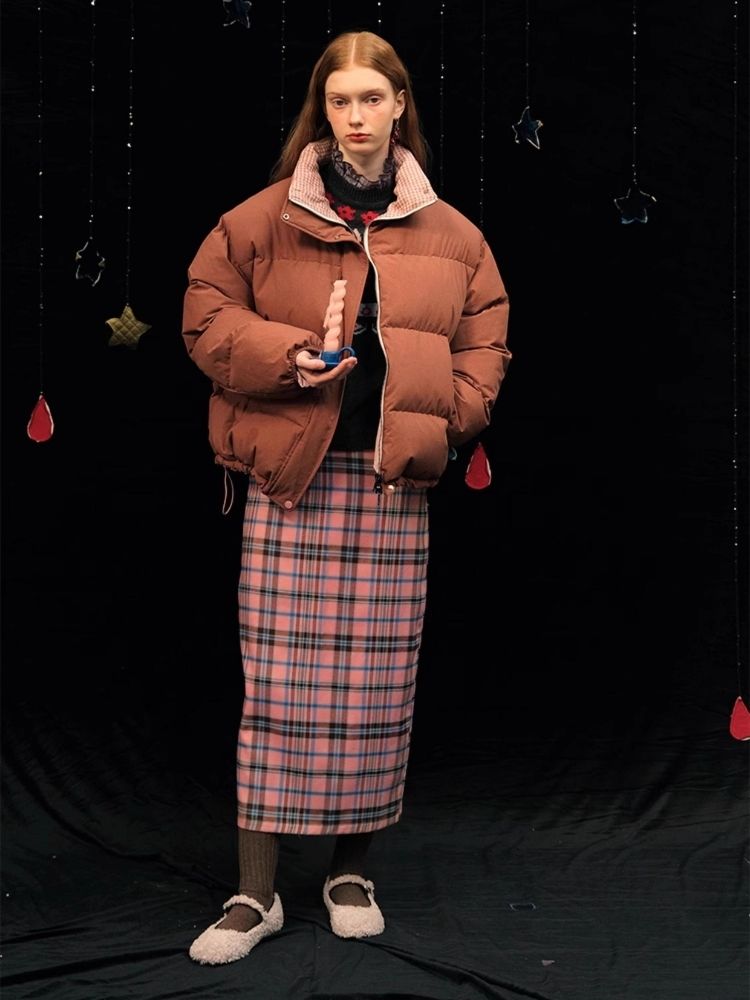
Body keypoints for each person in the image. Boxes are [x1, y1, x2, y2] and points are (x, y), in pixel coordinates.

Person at [181, 28, 512, 965]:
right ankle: (255, 895)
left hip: (389, 483)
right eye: (339, 101)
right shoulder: (260, 219)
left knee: (376, 690)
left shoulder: (455, 236)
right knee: (276, 693)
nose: (356, 117)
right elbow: (205, 316)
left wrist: (449, 418)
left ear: (400, 106)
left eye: (373, 98)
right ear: (320, 111)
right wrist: (290, 355)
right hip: (294, 482)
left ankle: (348, 875)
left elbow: (486, 343)